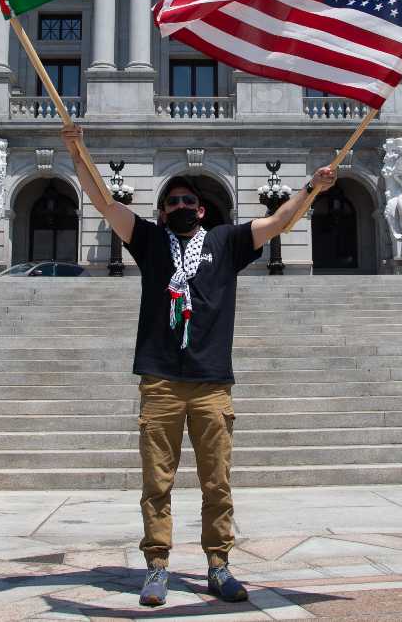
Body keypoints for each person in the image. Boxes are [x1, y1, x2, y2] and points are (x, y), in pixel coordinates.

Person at [62, 125, 336, 607]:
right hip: (161, 381)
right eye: (173, 202)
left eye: (189, 200)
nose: (181, 207)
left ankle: (218, 564)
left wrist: (312, 187)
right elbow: (105, 203)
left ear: (202, 209)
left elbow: (278, 223)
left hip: (211, 383)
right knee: (157, 482)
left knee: (217, 481)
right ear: (163, 211)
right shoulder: (147, 241)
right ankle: (157, 566)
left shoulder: (227, 242)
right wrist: (75, 153)